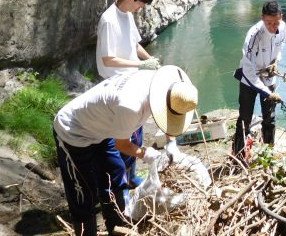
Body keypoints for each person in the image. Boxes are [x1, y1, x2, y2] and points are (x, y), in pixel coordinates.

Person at [53, 65, 198, 236]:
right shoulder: (132, 105)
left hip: (103, 128)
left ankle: (117, 230)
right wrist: (149, 155)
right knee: (84, 193)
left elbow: (170, 113)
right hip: (74, 132)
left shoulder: (163, 83)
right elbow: (121, 145)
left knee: (114, 176)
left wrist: (171, 144)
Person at [96, 0, 162, 188]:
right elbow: (109, 59)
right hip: (116, 83)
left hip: (130, 77)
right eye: (140, 3)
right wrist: (139, 66)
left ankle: (132, 176)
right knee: (122, 136)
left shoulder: (127, 15)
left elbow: (134, 44)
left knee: (137, 130)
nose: (141, 7)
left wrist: (149, 60)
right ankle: (120, 183)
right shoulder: (109, 19)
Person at [232, 0, 286, 158]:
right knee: (245, 117)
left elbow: (279, 47)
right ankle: (239, 153)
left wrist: (276, 62)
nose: (272, 26)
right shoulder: (254, 35)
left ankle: (268, 151)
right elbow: (248, 70)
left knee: (270, 117)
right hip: (250, 80)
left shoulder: (282, 28)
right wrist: (267, 93)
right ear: (262, 18)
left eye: (276, 22)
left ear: (281, 18)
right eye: (269, 22)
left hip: (269, 77)